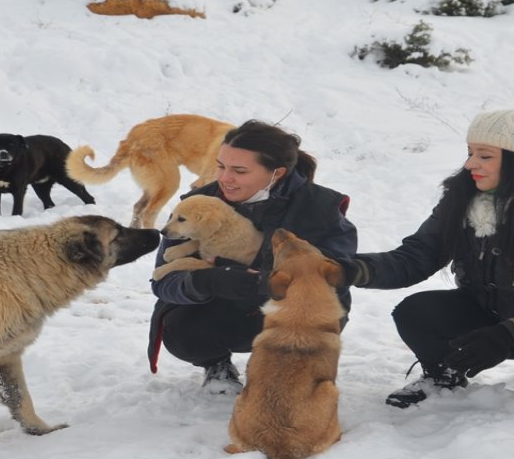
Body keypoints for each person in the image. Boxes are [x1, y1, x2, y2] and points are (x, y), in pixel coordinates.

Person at [337, 109, 514, 414]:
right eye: (470, 153)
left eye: (485, 156)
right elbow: (417, 256)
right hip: (483, 312)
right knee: (415, 313)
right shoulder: (463, 199)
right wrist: (350, 269)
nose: (470, 164)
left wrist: (513, 331)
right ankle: (443, 375)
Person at [147, 119, 358, 393]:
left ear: (277, 173)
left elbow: (336, 277)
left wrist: (267, 282)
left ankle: (290, 368)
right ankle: (217, 364)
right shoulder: (200, 203)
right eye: (220, 166)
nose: (224, 178)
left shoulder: (320, 208)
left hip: (291, 311)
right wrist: (207, 281)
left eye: (239, 170)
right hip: (226, 308)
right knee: (182, 330)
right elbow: (163, 283)